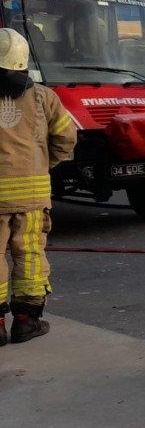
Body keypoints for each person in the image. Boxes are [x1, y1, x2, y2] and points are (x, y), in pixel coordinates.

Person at [0, 28, 77, 345]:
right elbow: (66, 138)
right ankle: (25, 321)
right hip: (33, 195)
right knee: (30, 254)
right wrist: (44, 165)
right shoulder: (45, 97)